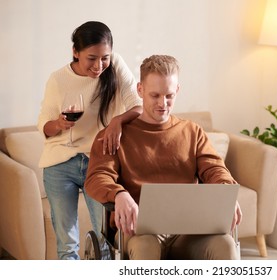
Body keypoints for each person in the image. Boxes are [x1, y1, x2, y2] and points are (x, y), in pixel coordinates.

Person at [85, 54, 242, 260]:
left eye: (169, 95)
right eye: (155, 95)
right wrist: (118, 194)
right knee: (145, 246)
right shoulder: (115, 136)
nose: (163, 103)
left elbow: (214, 169)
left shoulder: (192, 132)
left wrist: (225, 191)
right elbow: (97, 177)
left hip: (187, 230)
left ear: (177, 90)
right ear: (140, 90)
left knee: (225, 245)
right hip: (139, 232)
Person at [37, 21, 143, 260]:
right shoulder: (58, 79)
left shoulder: (115, 66)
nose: (99, 65)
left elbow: (138, 105)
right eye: (91, 58)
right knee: (67, 245)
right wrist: (59, 124)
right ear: (76, 52)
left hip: (99, 163)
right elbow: (44, 123)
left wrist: (116, 121)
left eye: (104, 57)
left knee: (105, 242)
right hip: (59, 163)